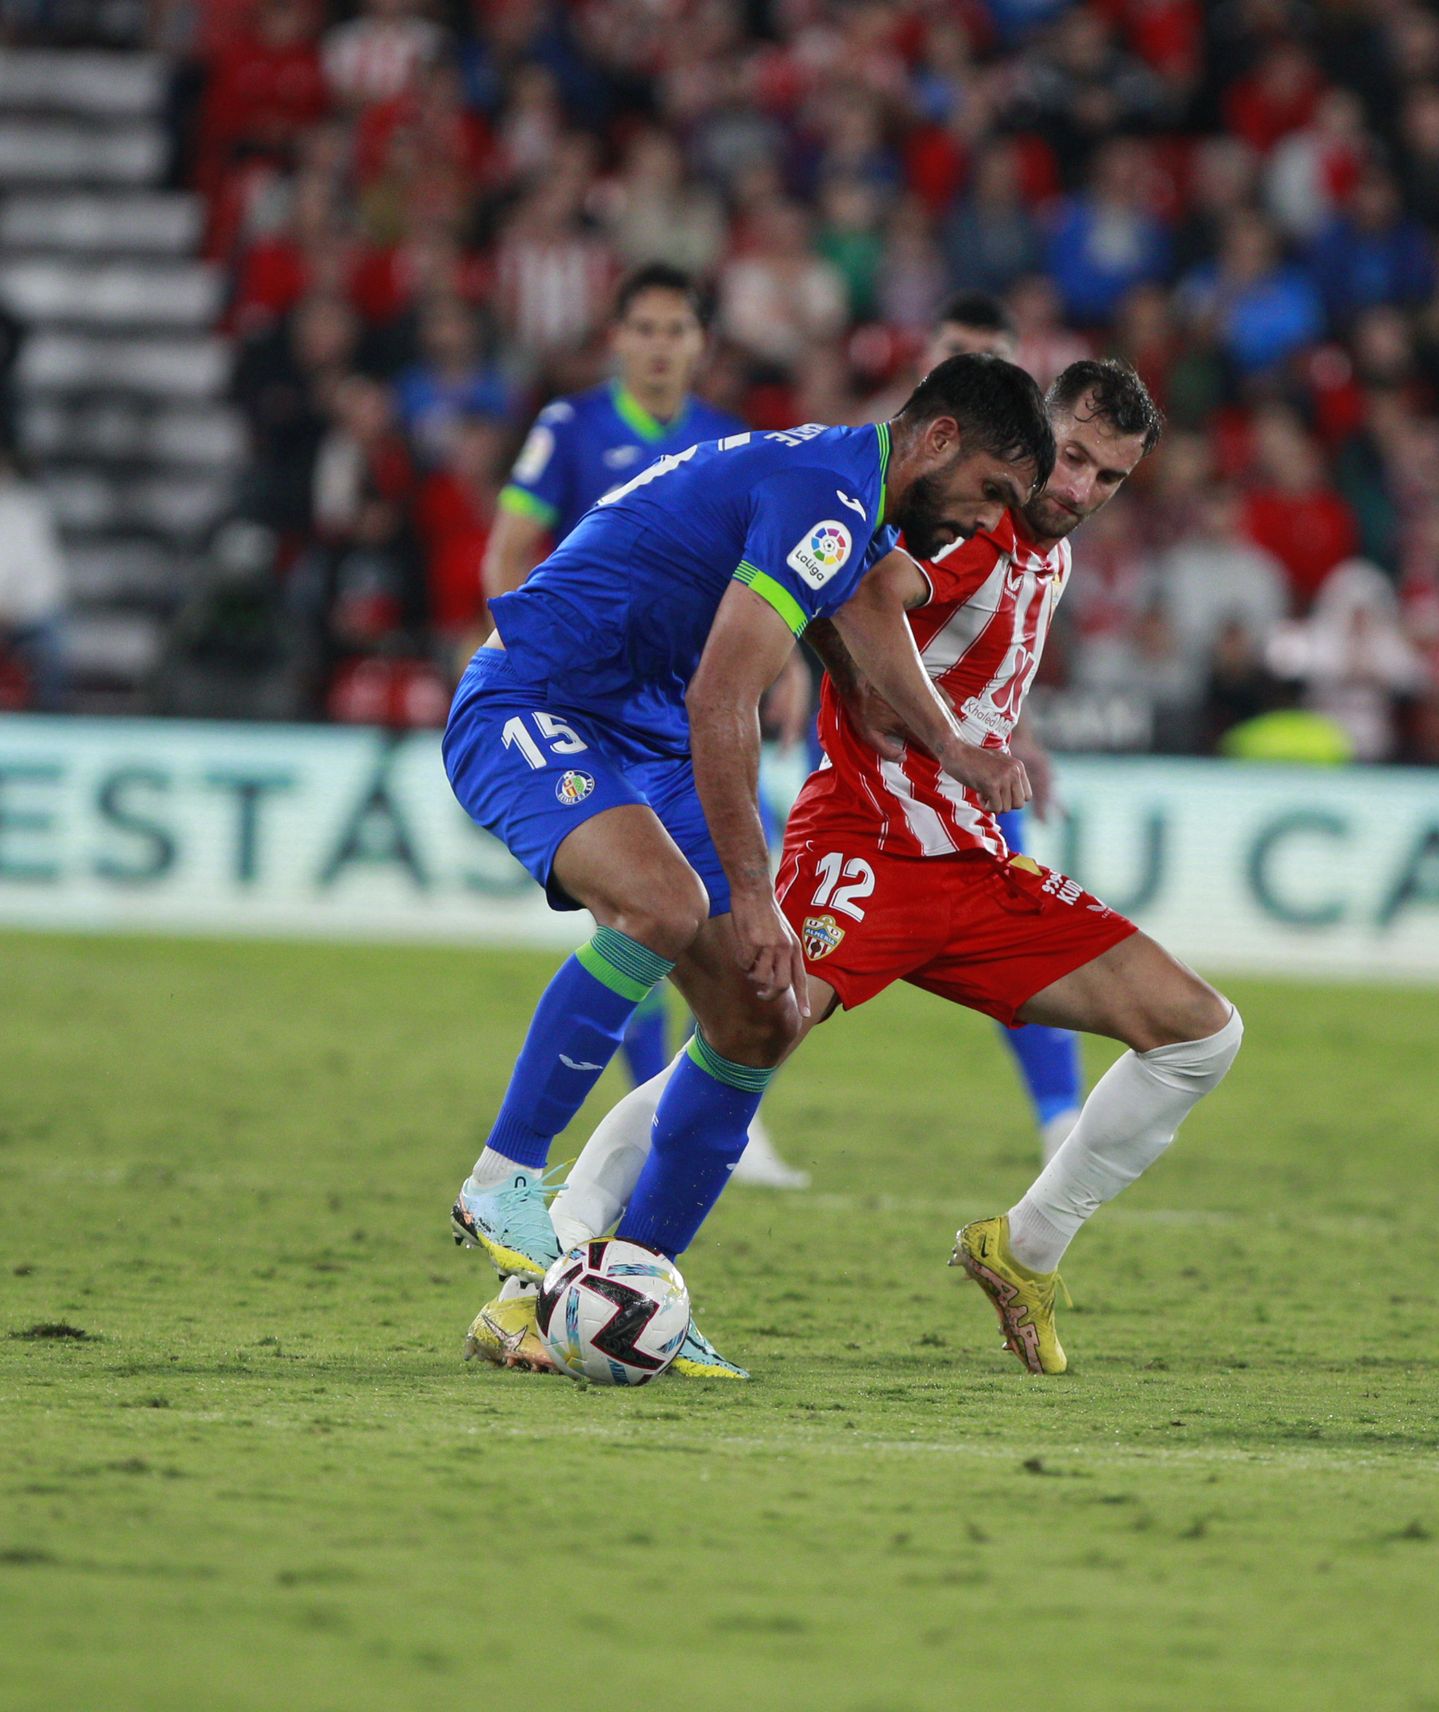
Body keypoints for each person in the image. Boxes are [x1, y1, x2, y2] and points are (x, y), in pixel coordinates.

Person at [497, 360, 1242, 1379]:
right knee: (741, 1033)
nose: (1074, 491)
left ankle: (1022, 1249)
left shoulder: (1039, 551)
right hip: (863, 849)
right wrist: (942, 737)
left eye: (1107, 478)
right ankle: (535, 1292)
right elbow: (866, 593)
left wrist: (994, 727)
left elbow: (964, 651)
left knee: (1200, 1032)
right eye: (1067, 460)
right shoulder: (973, 527)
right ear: (1030, 440)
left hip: (973, 868)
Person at [446, 352, 1055, 1376]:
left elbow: (864, 613)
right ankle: (503, 1176)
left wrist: (950, 746)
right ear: (939, 438)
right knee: (660, 904)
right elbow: (722, 699)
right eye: (991, 490)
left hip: (639, 731)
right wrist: (761, 892)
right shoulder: (825, 492)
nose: (989, 520)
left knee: (760, 1013)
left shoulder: (851, 496)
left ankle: (624, 1294)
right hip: (538, 701)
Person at [482, 261, 805, 1186]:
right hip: (581, 702)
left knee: (710, 908)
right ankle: (599, 1130)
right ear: (616, 338)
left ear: (703, 345)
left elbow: (762, 587)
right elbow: (509, 546)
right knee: (658, 906)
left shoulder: (727, 441)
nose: (661, 347)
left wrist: (786, 671)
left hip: (679, 705)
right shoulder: (569, 427)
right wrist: (530, 658)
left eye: (678, 331)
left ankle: (688, 1104)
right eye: (646, 329)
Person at [882, 293, 1090, 1159]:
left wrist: (1023, 738)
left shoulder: (1016, 495)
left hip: (974, 759)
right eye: (960, 353)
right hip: (880, 753)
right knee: (791, 953)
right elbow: (836, 597)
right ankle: (712, 1101)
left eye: (993, 356)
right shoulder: (894, 469)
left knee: (1020, 926)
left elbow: (1000, 639)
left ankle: (1060, 1116)